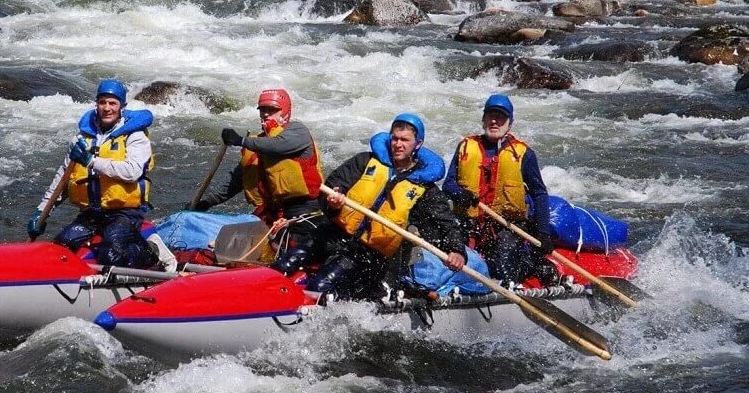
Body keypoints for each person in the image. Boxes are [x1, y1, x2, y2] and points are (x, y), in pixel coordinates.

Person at [308, 113, 466, 300]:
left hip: (371, 253)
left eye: (405, 140)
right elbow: (333, 185)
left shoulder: (424, 189)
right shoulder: (365, 161)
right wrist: (332, 202)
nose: (398, 144)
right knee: (288, 262)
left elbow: (446, 222)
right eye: (395, 138)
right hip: (337, 234)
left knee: (320, 286)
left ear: (418, 144)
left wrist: (456, 250)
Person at [26, 79, 160, 268]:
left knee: (111, 256)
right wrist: (41, 212)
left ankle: (151, 257)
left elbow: (132, 171)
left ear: (122, 106)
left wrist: (92, 161)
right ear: (96, 104)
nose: (107, 108)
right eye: (102, 102)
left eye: (112, 103)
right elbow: (63, 177)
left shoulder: (136, 136)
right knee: (60, 249)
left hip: (125, 212)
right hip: (92, 212)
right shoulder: (82, 137)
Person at [193, 88, 326, 274]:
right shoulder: (256, 144)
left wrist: (240, 140)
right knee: (233, 244)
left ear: (285, 112)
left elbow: (278, 145)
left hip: (304, 211)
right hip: (272, 214)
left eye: (272, 110)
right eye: (262, 109)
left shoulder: (297, 132)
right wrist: (206, 203)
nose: (265, 114)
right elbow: (233, 183)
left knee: (294, 250)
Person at [441, 94, 557, 286]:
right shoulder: (465, 147)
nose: (494, 121)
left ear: (509, 124)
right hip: (468, 223)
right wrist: (461, 194)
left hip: (507, 225)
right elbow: (448, 185)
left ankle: (534, 263)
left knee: (504, 271)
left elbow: (539, 193)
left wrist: (543, 232)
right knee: (448, 261)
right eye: (490, 116)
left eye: (501, 117)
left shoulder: (523, 154)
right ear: (483, 120)